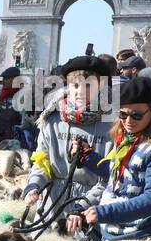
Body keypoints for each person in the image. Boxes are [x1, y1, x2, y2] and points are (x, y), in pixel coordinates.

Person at [65, 76, 151, 241]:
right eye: (123, 114)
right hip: (111, 238)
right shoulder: (128, 139)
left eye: (136, 115)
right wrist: (87, 157)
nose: (128, 121)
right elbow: (119, 175)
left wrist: (104, 212)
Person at [22, 55, 117, 221]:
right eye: (76, 85)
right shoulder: (52, 119)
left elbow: (111, 176)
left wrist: (83, 206)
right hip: (52, 202)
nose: (80, 92)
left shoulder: (114, 124)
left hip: (91, 208)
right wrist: (34, 186)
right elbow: (42, 160)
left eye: (89, 86)